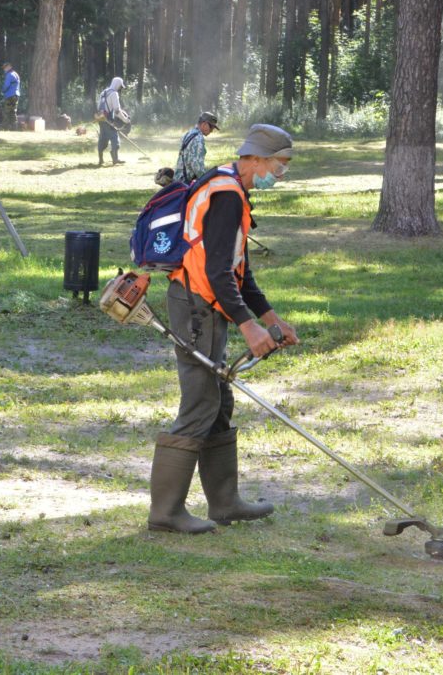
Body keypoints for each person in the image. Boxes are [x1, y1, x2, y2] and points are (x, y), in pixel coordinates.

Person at [148, 123, 300, 534]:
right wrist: (249, 328)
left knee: (219, 398)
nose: (281, 173)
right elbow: (216, 272)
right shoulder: (227, 194)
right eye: (279, 164)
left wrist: (271, 319)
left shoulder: (232, 186)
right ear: (254, 158)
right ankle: (166, 513)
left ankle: (225, 501)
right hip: (196, 306)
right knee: (200, 401)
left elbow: (239, 270)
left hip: (207, 305)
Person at [174, 111, 219, 183]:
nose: (211, 131)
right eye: (211, 127)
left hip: (178, 178)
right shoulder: (198, 139)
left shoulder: (189, 133)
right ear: (204, 124)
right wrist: (207, 180)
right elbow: (197, 166)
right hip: (186, 183)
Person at [96, 76, 128, 165]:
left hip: (100, 118)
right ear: (117, 85)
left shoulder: (103, 92)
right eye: (120, 87)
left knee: (103, 138)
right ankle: (115, 159)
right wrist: (125, 119)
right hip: (108, 119)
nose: (120, 88)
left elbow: (99, 106)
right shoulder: (114, 93)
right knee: (114, 138)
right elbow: (117, 110)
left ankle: (101, 159)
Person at [1, 62, 20, 129]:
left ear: (9, 67)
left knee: (7, 111)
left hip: (9, 95)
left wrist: (2, 91)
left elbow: (6, 85)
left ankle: (5, 127)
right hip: (16, 95)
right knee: (13, 111)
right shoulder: (16, 74)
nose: (4, 69)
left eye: (5, 68)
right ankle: (14, 127)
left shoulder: (9, 75)